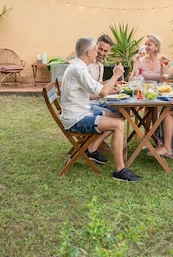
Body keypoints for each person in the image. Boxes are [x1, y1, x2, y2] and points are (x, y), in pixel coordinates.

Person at [60, 37, 142, 182]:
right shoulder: (79, 70)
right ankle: (120, 169)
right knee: (118, 124)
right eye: (95, 49)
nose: (98, 52)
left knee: (117, 117)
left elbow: (99, 90)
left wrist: (110, 86)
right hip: (76, 119)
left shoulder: (79, 67)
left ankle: (91, 149)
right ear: (89, 52)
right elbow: (103, 92)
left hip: (82, 111)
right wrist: (116, 74)